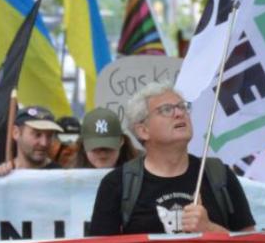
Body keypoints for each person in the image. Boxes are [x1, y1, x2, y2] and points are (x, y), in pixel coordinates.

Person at [89, 82, 255, 235]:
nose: (179, 113)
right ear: (143, 130)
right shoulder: (117, 184)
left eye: (183, 107)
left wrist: (210, 229)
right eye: (166, 109)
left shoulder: (219, 175)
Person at [0, 106, 65, 176]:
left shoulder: (60, 176)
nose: (44, 143)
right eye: (37, 134)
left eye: (49, 136)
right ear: (16, 133)